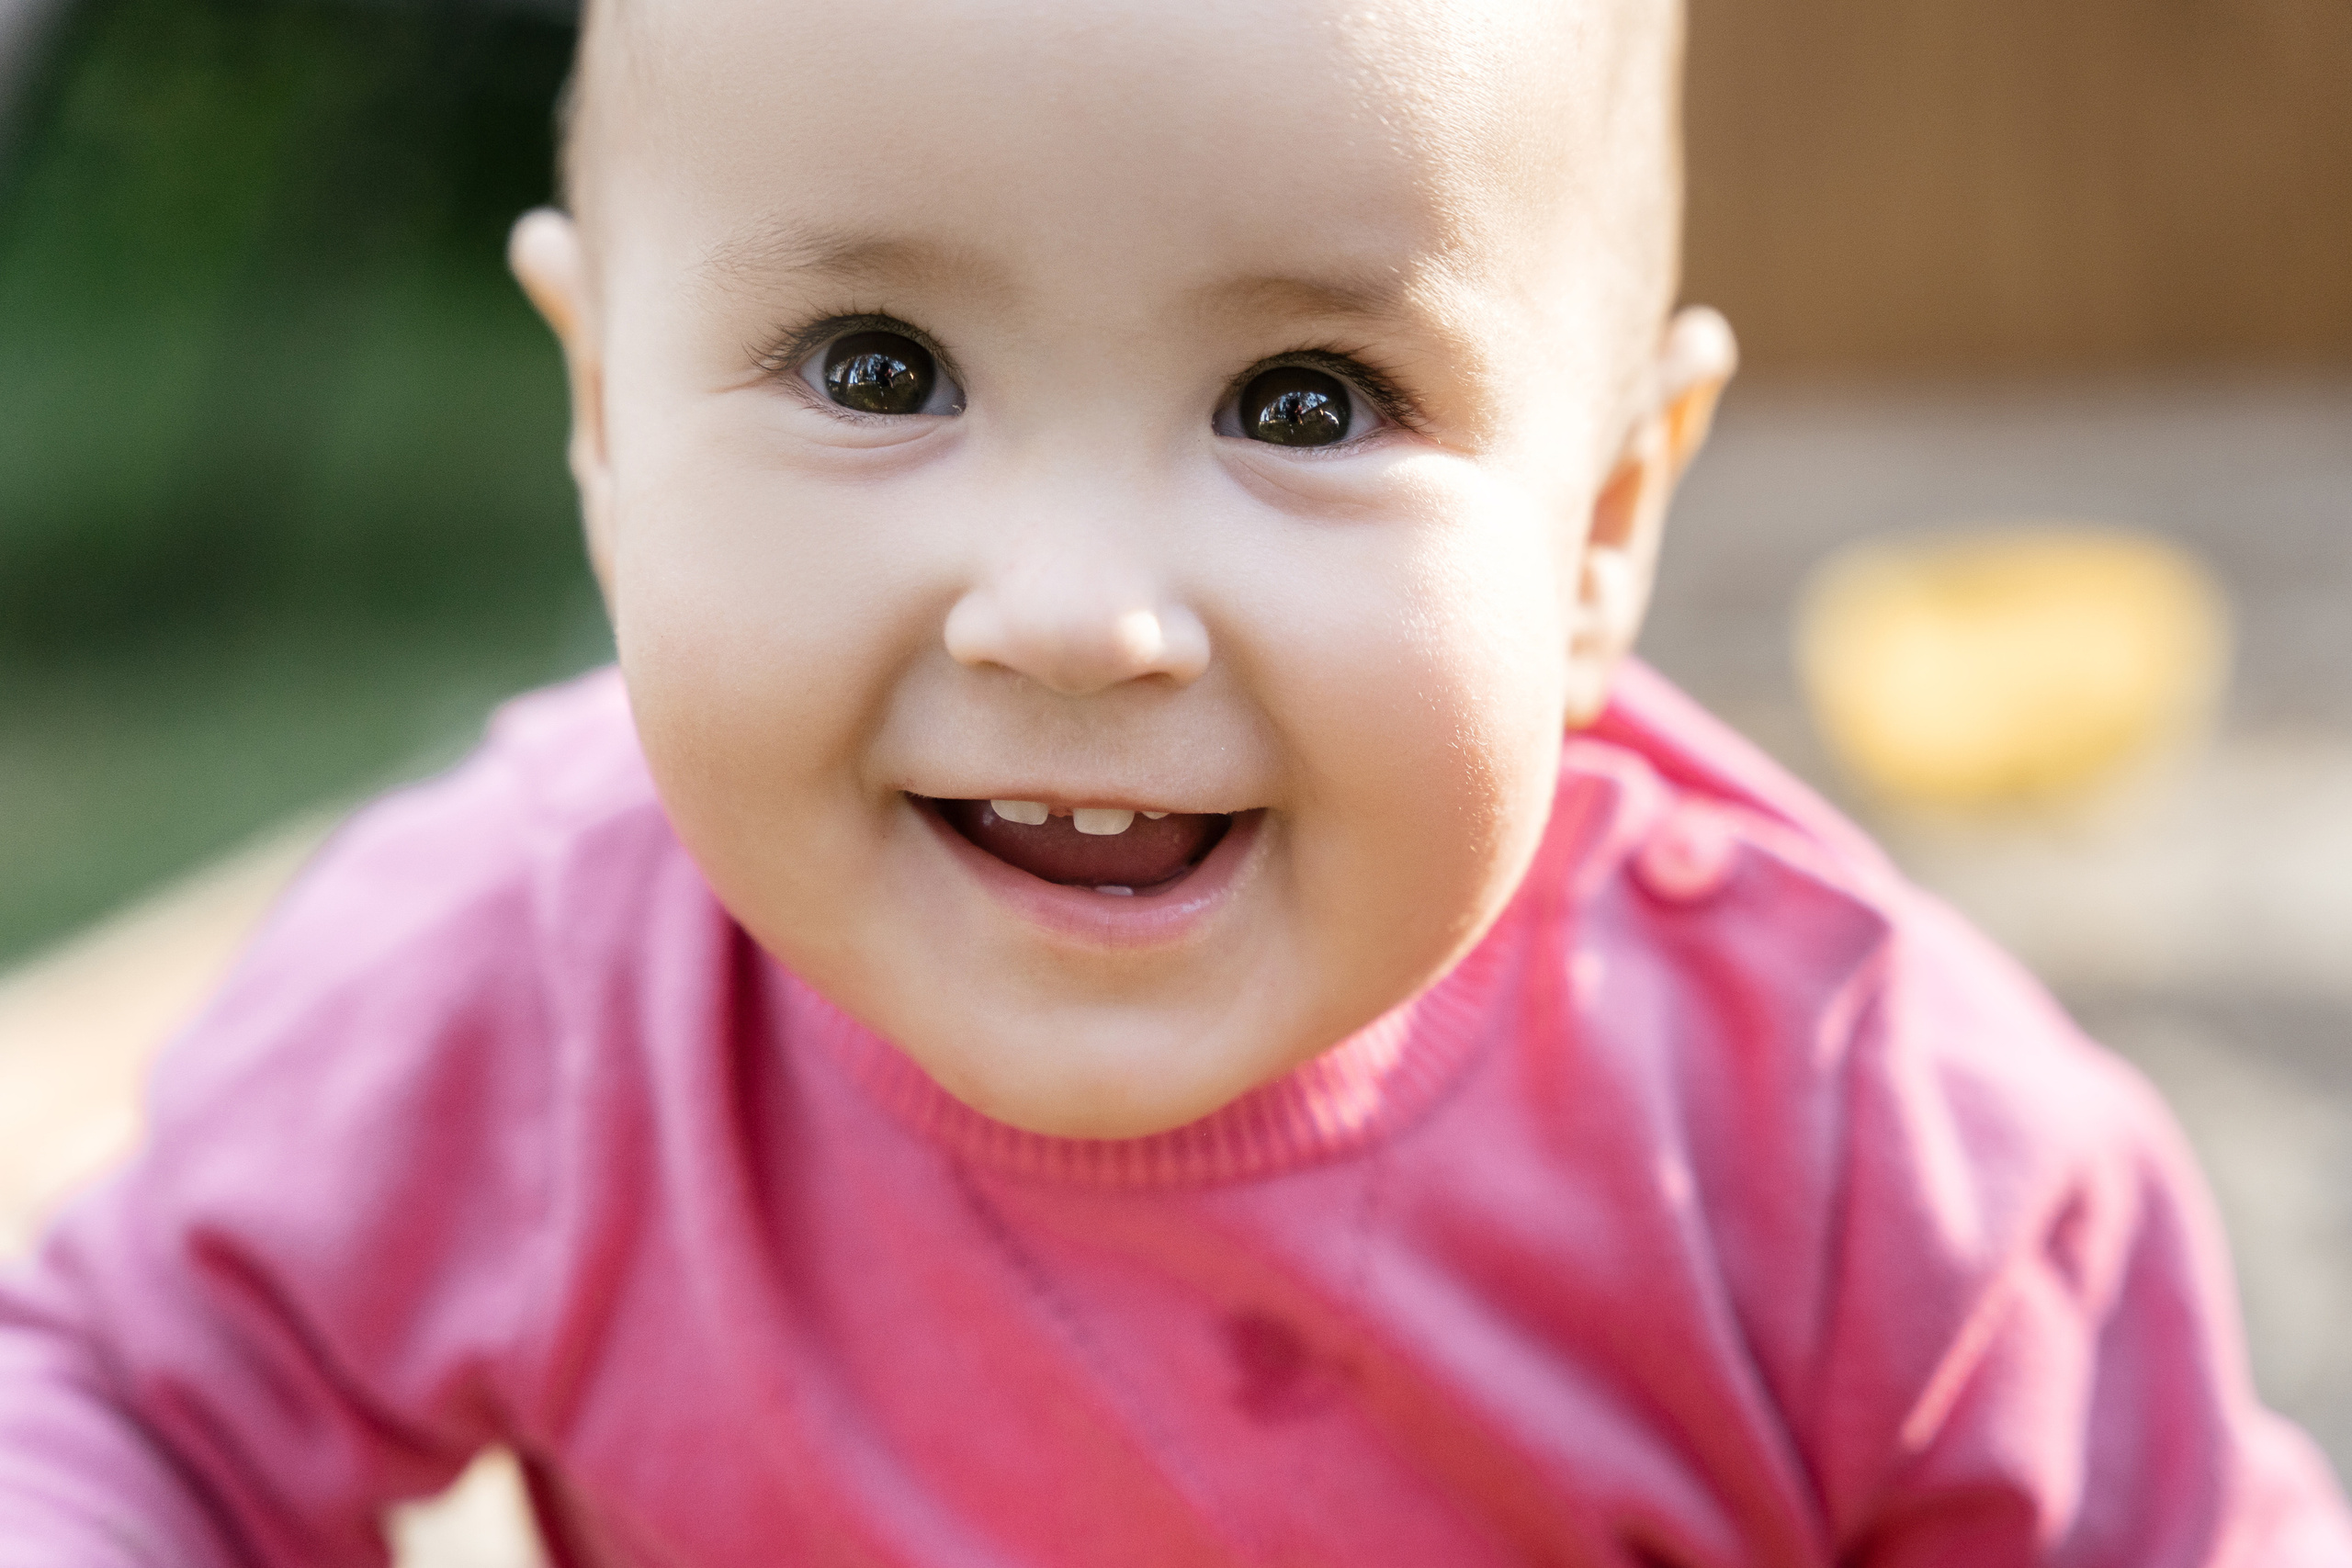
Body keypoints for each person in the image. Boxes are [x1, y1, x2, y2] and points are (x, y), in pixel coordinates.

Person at [3, 0, 2346, 1561]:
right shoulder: (522, 984)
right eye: (873, 360)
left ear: (1605, 520)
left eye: (1306, 401)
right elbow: (122, 1395)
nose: (1074, 609)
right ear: (604, 415)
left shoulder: (1844, 1134)